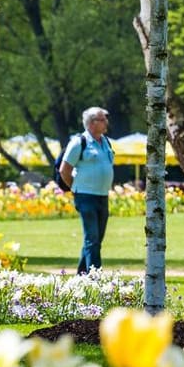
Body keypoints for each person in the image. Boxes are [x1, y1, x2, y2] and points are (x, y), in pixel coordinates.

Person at [60, 107, 115, 273]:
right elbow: (64, 170)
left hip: (102, 196)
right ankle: (95, 277)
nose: (106, 122)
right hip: (85, 196)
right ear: (91, 123)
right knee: (92, 238)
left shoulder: (105, 141)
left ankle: (81, 276)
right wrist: (76, 189)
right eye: (102, 119)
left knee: (96, 238)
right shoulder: (79, 142)